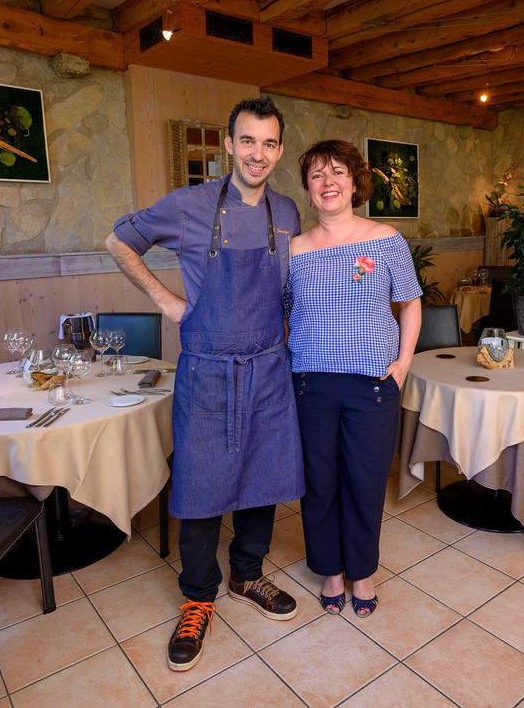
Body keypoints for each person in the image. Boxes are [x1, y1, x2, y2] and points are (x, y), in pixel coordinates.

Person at [106, 97, 303, 672]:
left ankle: (248, 574)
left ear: (279, 150)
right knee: (199, 482)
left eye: (268, 144)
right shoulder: (189, 205)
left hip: (269, 364)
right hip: (209, 366)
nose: (257, 154)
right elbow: (119, 241)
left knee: (263, 478)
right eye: (247, 141)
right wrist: (166, 300)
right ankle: (198, 597)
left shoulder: (288, 211)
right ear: (228, 144)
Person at [285, 139, 422, 617]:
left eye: (337, 172)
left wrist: (403, 363)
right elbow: (284, 314)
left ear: (354, 181)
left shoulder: (386, 239)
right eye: (318, 174)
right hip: (310, 385)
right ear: (307, 187)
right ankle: (331, 570)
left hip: (372, 385)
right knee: (320, 483)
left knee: (364, 481)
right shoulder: (294, 249)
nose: (328, 182)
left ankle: (361, 572)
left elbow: (410, 302)